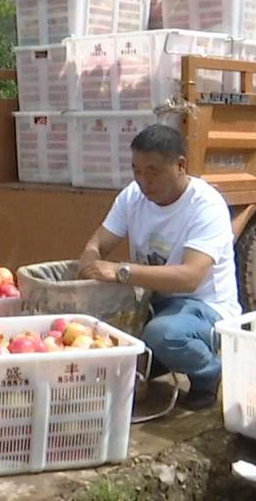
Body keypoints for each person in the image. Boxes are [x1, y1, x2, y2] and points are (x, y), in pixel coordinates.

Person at [78, 124, 241, 411]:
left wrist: (120, 271)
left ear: (180, 165)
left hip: (203, 308)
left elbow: (190, 278)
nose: (143, 180)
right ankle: (153, 362)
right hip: (153, 303)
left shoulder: (206, 206)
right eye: (136, 170)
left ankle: (209, 372)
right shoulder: (132, 197)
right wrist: (90, 261)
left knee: (164, 335)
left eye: (152, 172)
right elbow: (98, 243)